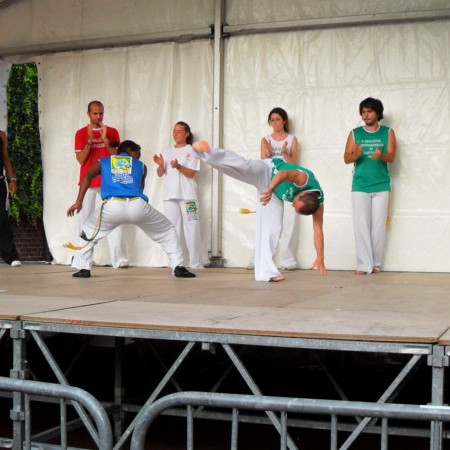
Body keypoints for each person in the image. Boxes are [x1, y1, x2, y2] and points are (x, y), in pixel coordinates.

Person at [192, 140, 326, 282]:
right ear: (302, 193)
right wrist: (270, 188)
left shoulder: (318, 204)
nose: (292, 204)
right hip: (268, 171)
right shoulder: (304, 178)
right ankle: (206, 151)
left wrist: (320, 257)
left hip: (274, 195)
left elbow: (318, 231)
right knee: (244, 166)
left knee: (274, 229)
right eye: (295, 202)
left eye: (295, 208)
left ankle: (266, 272)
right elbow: (283, 175)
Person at [66, 140, 196, 279]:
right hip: (137, 205)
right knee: (167, 230)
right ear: (128, 150)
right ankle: (178, 266)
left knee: (87, 231)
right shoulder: (142, 166)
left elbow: (87, 176)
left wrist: (78, 202)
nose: (138, 157)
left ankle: (84, 268)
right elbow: (140, 188)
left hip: (112, 205)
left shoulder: (104, 161)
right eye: (137, 153)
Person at [344, 97, 397, 275]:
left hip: (381, 185)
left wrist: (381, 155)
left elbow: (391, 157)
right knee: (361, 224)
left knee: (378, 225)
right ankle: (363, 264)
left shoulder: (388, 133)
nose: (366, 115)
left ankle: (375, 263)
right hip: (360, 185)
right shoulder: (354, 133)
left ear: (378, 113)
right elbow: (346, 158)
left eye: (370, 111)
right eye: (364, 111)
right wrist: (356, 155)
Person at [74, 100, 129, 268]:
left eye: (101, 113)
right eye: (95, 113)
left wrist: (106, 140)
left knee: (114, 219)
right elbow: (81, 160)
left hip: (109, 181)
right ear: (88, 114)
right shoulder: (81, 133)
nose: (98, 116)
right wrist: (90, 141)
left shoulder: (112, 132)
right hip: (88, 181)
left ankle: (119, 260)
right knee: (84, 221)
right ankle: (82, 260)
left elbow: (118, 157)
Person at [248, 107, 300, 270]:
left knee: (289, 221)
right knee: (268, 222)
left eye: (278, 119)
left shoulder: (292, 139)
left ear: (284, 121)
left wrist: (284, 153)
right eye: (272, 120)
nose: (275, 122)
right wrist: (269, 153)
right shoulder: (265, 139)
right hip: (270, 183)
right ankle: (259, 259)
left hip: (288, 182)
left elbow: (293, 163)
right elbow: (264, 164)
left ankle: (288, 261)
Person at [153, 122, 203, 269]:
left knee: (192, 228)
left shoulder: (193, 150)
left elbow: (192, 173)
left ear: (187, 134)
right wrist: (161, 164)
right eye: (174, 131)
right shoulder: (167, 151)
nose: (175, 134)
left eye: (179, 131)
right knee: (171, 228)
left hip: (188, 195)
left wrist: (178, 166)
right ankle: (173, 261)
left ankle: (195, 263)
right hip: (170, 195)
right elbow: (160, 173)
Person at [0, 130, 21, 267]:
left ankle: (11, 256)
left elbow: (5, 158)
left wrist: (12, 178)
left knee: (2, 219)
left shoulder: (1, 135)